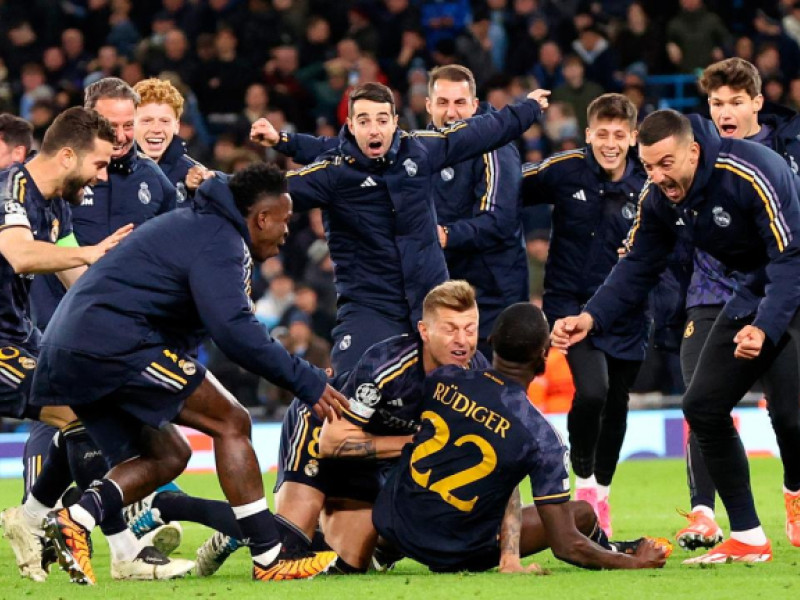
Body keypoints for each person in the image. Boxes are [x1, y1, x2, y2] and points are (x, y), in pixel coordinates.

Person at [28, 163, 346, 585]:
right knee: (232, 421)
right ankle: (270, 557)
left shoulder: (199, 225)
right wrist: (306, 379)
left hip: (68, 352)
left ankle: (77, 519)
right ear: (262, 218)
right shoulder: (221, 240)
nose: (287, 232)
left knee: (169, 455)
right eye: (285, 221)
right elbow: (234, 331)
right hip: (113, 344)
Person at [551, 109, 800, 564]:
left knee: (793, 419)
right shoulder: (659, 197)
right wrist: (590, 318)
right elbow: (638, 265)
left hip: (794, 282)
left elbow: (789, 260)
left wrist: (765, 327)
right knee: (702, 406)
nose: (657, 176)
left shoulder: (753, 170)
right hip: (749, 291)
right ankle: (747, 536)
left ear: (694, 151)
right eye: (647, 166)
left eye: (666, 164)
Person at [193, 279, 490, 576]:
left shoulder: (478, 376)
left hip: (372, 451)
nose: (462, 341)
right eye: (451, 329)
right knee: (288, 551)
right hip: (321, 424)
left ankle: (264, 528)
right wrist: (414, 442)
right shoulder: (389, 366)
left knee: (345, 566)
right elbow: (331, 442)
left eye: (470, 329)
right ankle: (178, 507)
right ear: (425, 331)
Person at [250, 81, 550, 374]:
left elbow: (486, 129)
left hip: (431, 300)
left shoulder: (419, 149)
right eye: (364, 121)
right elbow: (264, 192)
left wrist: (530, 107)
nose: (374, 129)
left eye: (382, 119)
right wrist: (210, 184)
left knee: (475, 390)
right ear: (351, 126)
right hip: (371, 305)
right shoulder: (332, 174)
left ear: (395, 122)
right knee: (351, 390)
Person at [372, 302, 670, 573]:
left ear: (491, 342)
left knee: (581, 514)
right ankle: (617, 552)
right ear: (544, 355)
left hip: (394, 522)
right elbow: (565, 545)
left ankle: (378, 550)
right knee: (578, 514)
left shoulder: (444, 378)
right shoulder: (541, 437)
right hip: (456, 553)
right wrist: (634, 564)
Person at [0, 107, 141, 582]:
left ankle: (33, 518)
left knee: (89, 411)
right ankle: (124, 551)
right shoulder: (9, 189)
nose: (101, 178)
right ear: (65, 156)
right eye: (99, 165)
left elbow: (71, 272)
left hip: (21, 335)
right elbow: (19, 255)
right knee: (80, 416)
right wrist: (89, 252)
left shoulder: (58, 204)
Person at [675, 57, 800, 550]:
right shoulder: (697, 153)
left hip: (779, 295)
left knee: (791, 415)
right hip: (710, 295)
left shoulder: (787, 154)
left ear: (757, 103)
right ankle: (704, 515)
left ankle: (794, 492)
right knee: (702, 404)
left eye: (735, 102)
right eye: (716, 103)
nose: (725, 111)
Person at [520, 93, 648, 536]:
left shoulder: (649, 180)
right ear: (588, 133)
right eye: (602, 134)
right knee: (593, 390)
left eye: (619, 135)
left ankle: (602, 492)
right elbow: (508, 188)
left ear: (632, 137)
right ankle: (585, 479)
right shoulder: (564, 169)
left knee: (616, 403)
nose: (609, 143)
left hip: (630, 310)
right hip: (570, 307)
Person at [425, 65, 528, 358]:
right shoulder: (420, 149)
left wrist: (446, 235)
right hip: (443, 293)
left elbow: (499, 219)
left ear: (474, 104)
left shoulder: (494, 144)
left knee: (500, 394)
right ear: (429, 105)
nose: (451, 112)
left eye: (459, 103)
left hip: (494, 294)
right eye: (443, 103)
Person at [133, 77, 209, 205]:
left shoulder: (194, 174)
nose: (156, 129)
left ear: (177, 126)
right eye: (147, 121)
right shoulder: (108, 172)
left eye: (165, 121)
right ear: (130, 124)